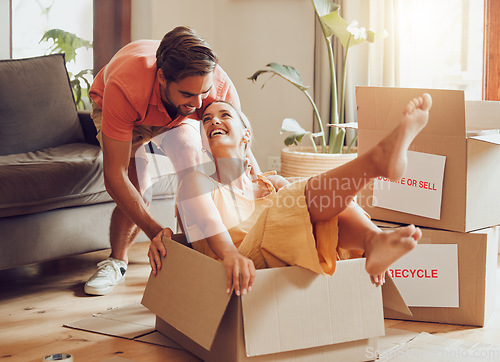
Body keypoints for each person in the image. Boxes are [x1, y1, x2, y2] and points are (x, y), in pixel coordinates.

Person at [148, 93, 433, 296]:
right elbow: (209, 225)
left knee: (307, 200)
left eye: (224, 115)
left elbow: (325, 206)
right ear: (205, 145)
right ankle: (376, 162)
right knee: (295, 197)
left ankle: (373, 240)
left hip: (291, 257)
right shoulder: (197, 182)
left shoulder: (272, 183)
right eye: (206, 120)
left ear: (246, 135)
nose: (213, 121)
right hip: (242, 266)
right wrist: (232, 256)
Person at [84, 26, 260, 295]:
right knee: (137, 186)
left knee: (192, 164)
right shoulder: (125, 87)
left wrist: (259, 182)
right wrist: (156, 231)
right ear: (163, 78)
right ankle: (117, 261)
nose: (199, 102)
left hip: (176, 118)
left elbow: (240, 150)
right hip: (127, 111)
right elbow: (114, 176)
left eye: (204, 92)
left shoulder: (217, 87)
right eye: (189, 94)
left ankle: (191, 255)